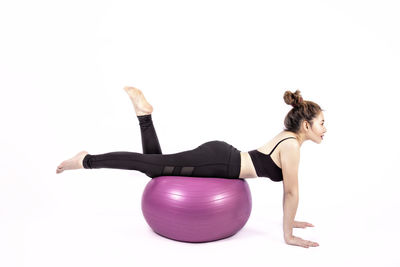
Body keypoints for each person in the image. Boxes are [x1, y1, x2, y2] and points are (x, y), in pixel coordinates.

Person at [56, 86, 327, 248]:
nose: (324, 129)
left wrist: (291, 222)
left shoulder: (289, 139)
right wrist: (288, 234)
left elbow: (290, 194)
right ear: (306, 125)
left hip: (223, 159)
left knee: (155, 168)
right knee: (149, 166)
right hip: (220, 161)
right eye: (321, 123)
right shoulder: (291, 145)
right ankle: (85, 160)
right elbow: (291, 192)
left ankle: (144, 114)